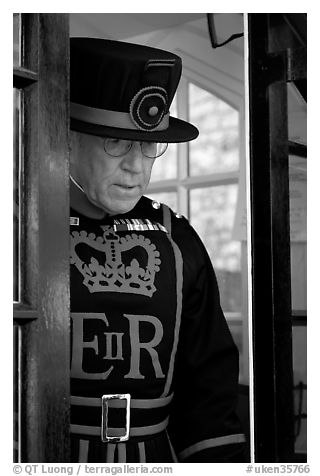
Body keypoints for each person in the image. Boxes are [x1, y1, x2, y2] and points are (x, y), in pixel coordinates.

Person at [69, 37, 246, 463]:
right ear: (67, 137)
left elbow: (209, 391)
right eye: (118, 143)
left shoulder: (179, 239)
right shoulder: (21, 232)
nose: (137, 165)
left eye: (149, 145)